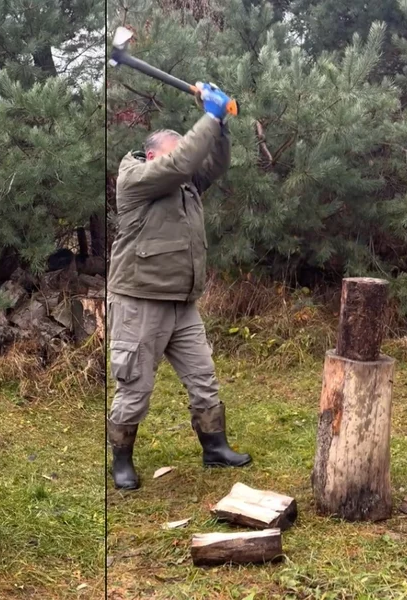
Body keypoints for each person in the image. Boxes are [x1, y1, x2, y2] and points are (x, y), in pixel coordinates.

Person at [107, 83, 252, 490]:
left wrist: (220, 125)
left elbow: (215, 164)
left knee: (203, 377)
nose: (185, 162)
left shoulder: (185, 182)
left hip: (182, 302)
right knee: (135, 386)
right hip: (140, 300)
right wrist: (209, 114)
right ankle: (121, 461)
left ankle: (215, 447)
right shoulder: (136, 178)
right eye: (175, 155)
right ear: (155, 156)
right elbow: (182, 162)